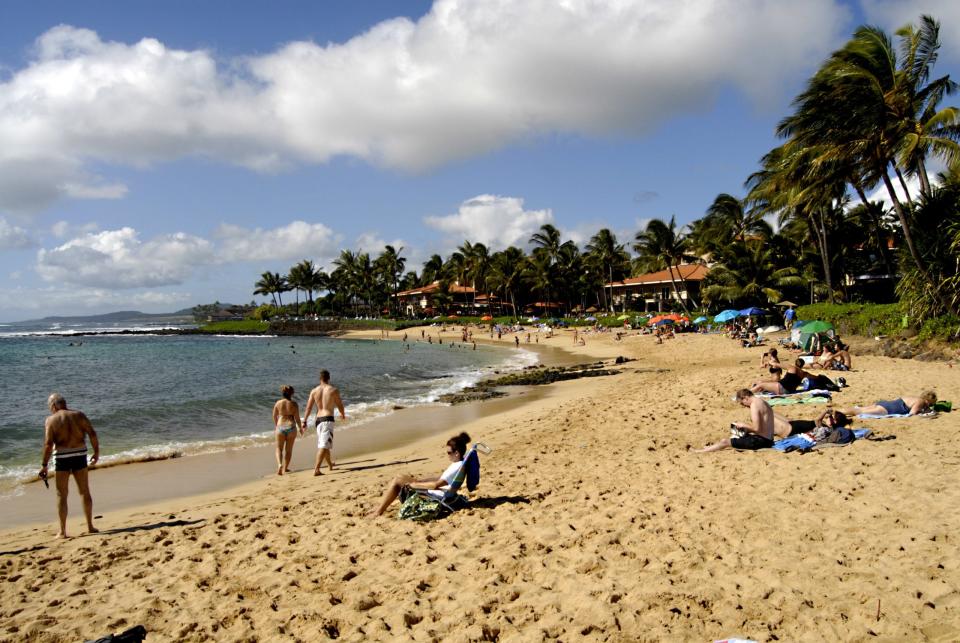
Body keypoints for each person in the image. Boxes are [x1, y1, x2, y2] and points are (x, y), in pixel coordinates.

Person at [39, 393, 100, 538]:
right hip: (79, 454)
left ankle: (62, 531)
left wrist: (44, 465)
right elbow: (92, 433)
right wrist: (96, 452)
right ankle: (90, 526)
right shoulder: (79, 415)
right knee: (84, 491)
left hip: (62, 457)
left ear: (53, 406)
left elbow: (48, 445)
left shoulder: (51, 420)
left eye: (50, 407)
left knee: (62, 494)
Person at [368, 432, 471, 518]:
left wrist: (415, 485)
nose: (447, 454)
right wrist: (421, 480)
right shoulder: (460, 464)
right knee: (400, 477)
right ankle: (379, 507)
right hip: (443, 492)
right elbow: (442, 478)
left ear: (456, 453)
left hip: (436, 495)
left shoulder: (456, 467)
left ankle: (378, 511)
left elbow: (435, 485)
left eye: (449, 452)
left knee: (397, 482)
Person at [697, 389, 775, 452]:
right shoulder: (762, 402)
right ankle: (709, 448)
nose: (744, 406)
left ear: (745, 398)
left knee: (725, 442)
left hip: (761, 442)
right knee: (736, 435)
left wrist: (743, 425)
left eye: (742, 403)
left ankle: (700, 451)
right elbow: (761, 428)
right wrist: (746, 429)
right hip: (768, 439)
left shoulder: (754, 405)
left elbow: (756, 428)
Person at [303, 370, 347, 476]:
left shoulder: (314, 391)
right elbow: (339, 404)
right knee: (323, 445)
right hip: (327, 419)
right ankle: (316, 469)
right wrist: (342, 414)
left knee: (325, 443)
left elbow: (308, 407)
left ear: (320, 378)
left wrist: (304, 420)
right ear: (329, 378)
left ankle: (330, 465)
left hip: (318, 420)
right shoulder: (333, 390)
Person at [272, 385, 303, 475]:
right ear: (292, 393)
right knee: (288, 450)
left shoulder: (278, 403)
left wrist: (276, 425)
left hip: (280, 427)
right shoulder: (294, 404)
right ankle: (285, 468)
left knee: (278, 448)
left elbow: (274, 416)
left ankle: (279, 465)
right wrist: (300, 428)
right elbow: (297, 418)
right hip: (291, 427)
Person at [838, 391, 936, 417]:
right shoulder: (920, 402)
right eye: (931, 404)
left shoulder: (913, 398)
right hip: (890, 409)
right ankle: (837, 412)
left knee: (860, 409)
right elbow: (912, 413)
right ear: (928, 400)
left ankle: (839, 411)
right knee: (859, 412)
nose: (930, 406)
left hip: (887, 403)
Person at [773, 408, 850, 439]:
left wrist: (825, 411)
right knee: (770, 411)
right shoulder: (825, 425)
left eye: (831, 417)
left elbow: (817, 420)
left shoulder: (826, 428)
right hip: (791, 424)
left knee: (766, 414)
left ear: (834, 422)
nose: (828, 417)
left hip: (789, 429)